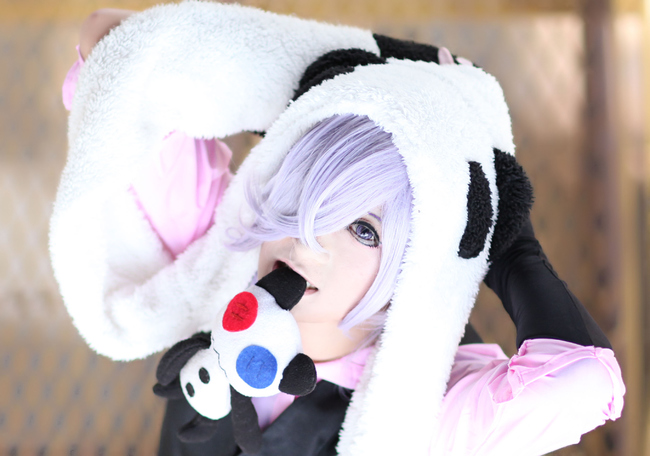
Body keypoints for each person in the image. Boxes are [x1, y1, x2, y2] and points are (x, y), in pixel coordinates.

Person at [53, 4, 625, 455]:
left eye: (363, 229)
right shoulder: (216, 257)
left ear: (419, 257)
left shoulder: (423, 398)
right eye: (303, 192)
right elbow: (119, 52)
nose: (308, 239)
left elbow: (582, 381)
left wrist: (511, 251)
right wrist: (326, 77)